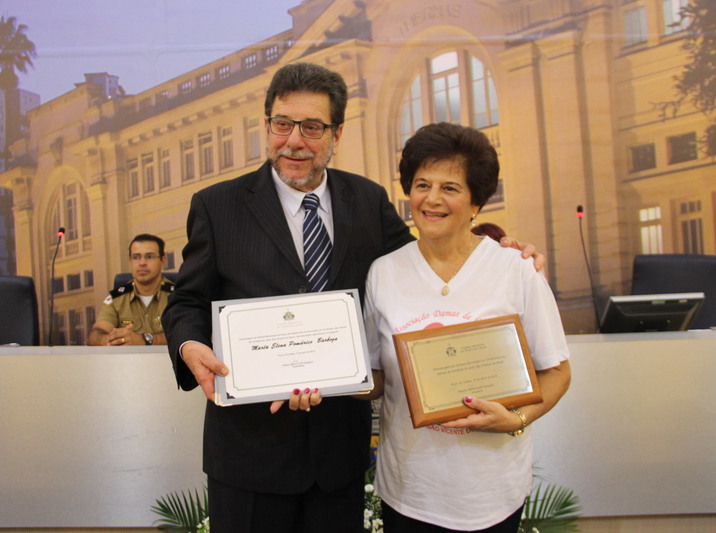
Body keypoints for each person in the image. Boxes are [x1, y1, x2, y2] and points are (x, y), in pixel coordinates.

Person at [161, 62, 544, 533]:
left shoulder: (366, 200)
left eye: (312, 127)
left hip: (337, 454)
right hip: (249, 453)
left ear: (337, 134)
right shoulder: (217, 206)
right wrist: (189, 344)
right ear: (267, 126)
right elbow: (186, 301)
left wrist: (497, 245)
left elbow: (423, 260)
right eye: (282, 124)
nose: (294, 141)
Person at [363, 122, 572, 532]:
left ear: (476, 201)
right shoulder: (384, 272)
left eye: (450, 188)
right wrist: (320, 378)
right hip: (409, 489)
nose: (432, 199)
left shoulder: (516, 270)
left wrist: (518, 419)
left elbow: (558, 371)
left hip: (490, 491)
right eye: (422, 184)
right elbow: (375, 376)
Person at [87, 233, 174, 346]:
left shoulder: (178, 295)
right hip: (127, 363)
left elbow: (187, 333)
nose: (142, 263)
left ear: (163, 260)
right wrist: (111, 340)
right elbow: (95, 335)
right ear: (130, 261)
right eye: (136, 257)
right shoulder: (117, 299)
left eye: (149, 256)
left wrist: (144, 339)